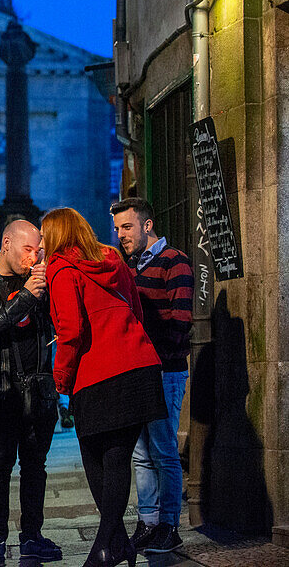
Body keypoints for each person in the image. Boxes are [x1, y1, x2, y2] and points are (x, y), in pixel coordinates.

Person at [45, 207, 165, 567]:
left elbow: (70, 330)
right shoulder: (111, 257)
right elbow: (136, 309)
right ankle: (120, 544)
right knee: (115, 459)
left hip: (96, 374)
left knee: (97, 457)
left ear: (55, 236)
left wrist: (61, 380)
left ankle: (103, 546)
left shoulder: (61, 269)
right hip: (137, 365)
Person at [0, 220, 63, 564]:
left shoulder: (41, 280)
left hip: (39, 388)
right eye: (27, 249)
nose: (33, 256)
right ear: (5, 243)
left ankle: (32, 534)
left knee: (35, 466)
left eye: (37, 250)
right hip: (3, 389)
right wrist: (26, 297)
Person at [111, 197, 193, 554]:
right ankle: (148, 521)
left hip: (163, 371)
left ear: (147, 225)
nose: (121, 235)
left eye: (127, 227)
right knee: (141, 454)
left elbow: (180, 323)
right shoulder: (129, 268)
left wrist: (144, 346)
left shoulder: (174, 262)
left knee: (163, 451)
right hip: (138, 373)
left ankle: (169, 525)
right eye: (117, 229)